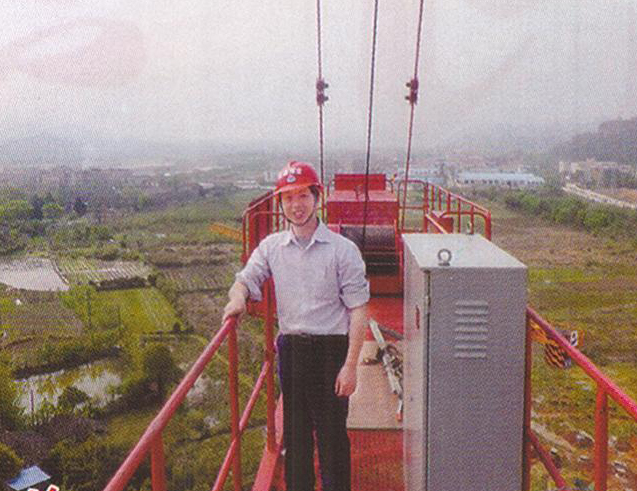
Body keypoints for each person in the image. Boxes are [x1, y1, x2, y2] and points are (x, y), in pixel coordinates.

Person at [222, 161, 369, 491]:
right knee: (296, 436)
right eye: (288, 198)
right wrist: (237, 299)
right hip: (292, 351)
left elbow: (359, 311)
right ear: (281, 204)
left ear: (317, 198)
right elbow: (245, 279)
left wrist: (350, 367)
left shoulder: (343, 251)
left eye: (303, 195)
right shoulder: (272, 247)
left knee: (332, 438)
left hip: (331, 351)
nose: (296, 205)